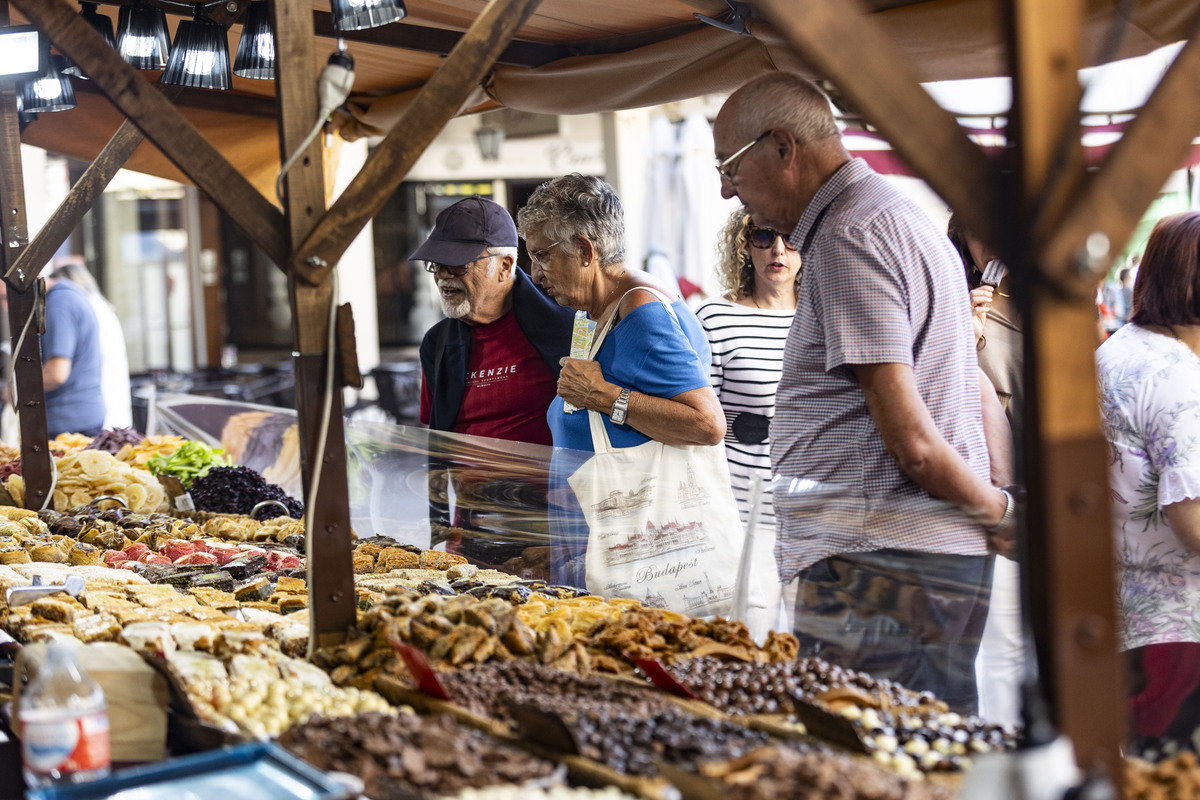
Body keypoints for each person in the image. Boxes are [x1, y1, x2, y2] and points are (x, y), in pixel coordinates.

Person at [714, 73, 1013, 711]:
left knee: (871, 761)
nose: (725, 191)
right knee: (931, 753)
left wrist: (998, 512)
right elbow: (967, 386)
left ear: (783, 147)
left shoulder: (852, 234)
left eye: (730, 169)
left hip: (884, 564)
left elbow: (912, 442)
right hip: (911, 559)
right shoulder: (892, 216)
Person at [515, 173, 725, 584]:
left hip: (640, 554)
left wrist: (605, 395)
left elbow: (707, 424)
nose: (536, 275)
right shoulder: (594, 310)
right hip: (603, 543)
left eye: (542, 256)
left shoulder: (640, 313)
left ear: (584, 249)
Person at [411, 195, 575, 563]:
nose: (442, 276)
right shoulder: (437, 344)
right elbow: (437, 439)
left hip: (552, 532)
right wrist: (447, 531)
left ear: (505, 265)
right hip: (473, 530)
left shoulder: (565, 329)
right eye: (436, 265)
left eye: (456, 264)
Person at [1096, 211, 1200, 748]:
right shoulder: (1178, 377)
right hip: (1177, 625)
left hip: (1123, 612)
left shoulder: (1119, 350)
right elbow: (1193, 521)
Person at [696, 208, 800, 634]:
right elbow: (701, 427)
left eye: (790, 237)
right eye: (763, 236)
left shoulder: (826, 318)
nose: (778, 249)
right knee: (749, 642)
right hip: (743, 519)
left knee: (814, 651)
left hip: (813, 516)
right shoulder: (716, 319)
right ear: (745, 246)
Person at [947, 214, 1025, 726]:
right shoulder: (955, 299)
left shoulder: (1049, 303)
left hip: (1041, 477)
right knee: (997, 640)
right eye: (979, 233)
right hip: (984, 486)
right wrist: (966, 333)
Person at [49, 261, 133, 430]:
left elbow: (60, 372)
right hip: (108, 404)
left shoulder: (68, 304)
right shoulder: (103, 310)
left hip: (96, 404)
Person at [39, 271, 105, 438]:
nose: (5, 307)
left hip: (69, 425)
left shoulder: (59, 303)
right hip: (80, 416)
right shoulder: (68, 295)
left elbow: (56, 374)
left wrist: (16, 389)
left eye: (5, 298)